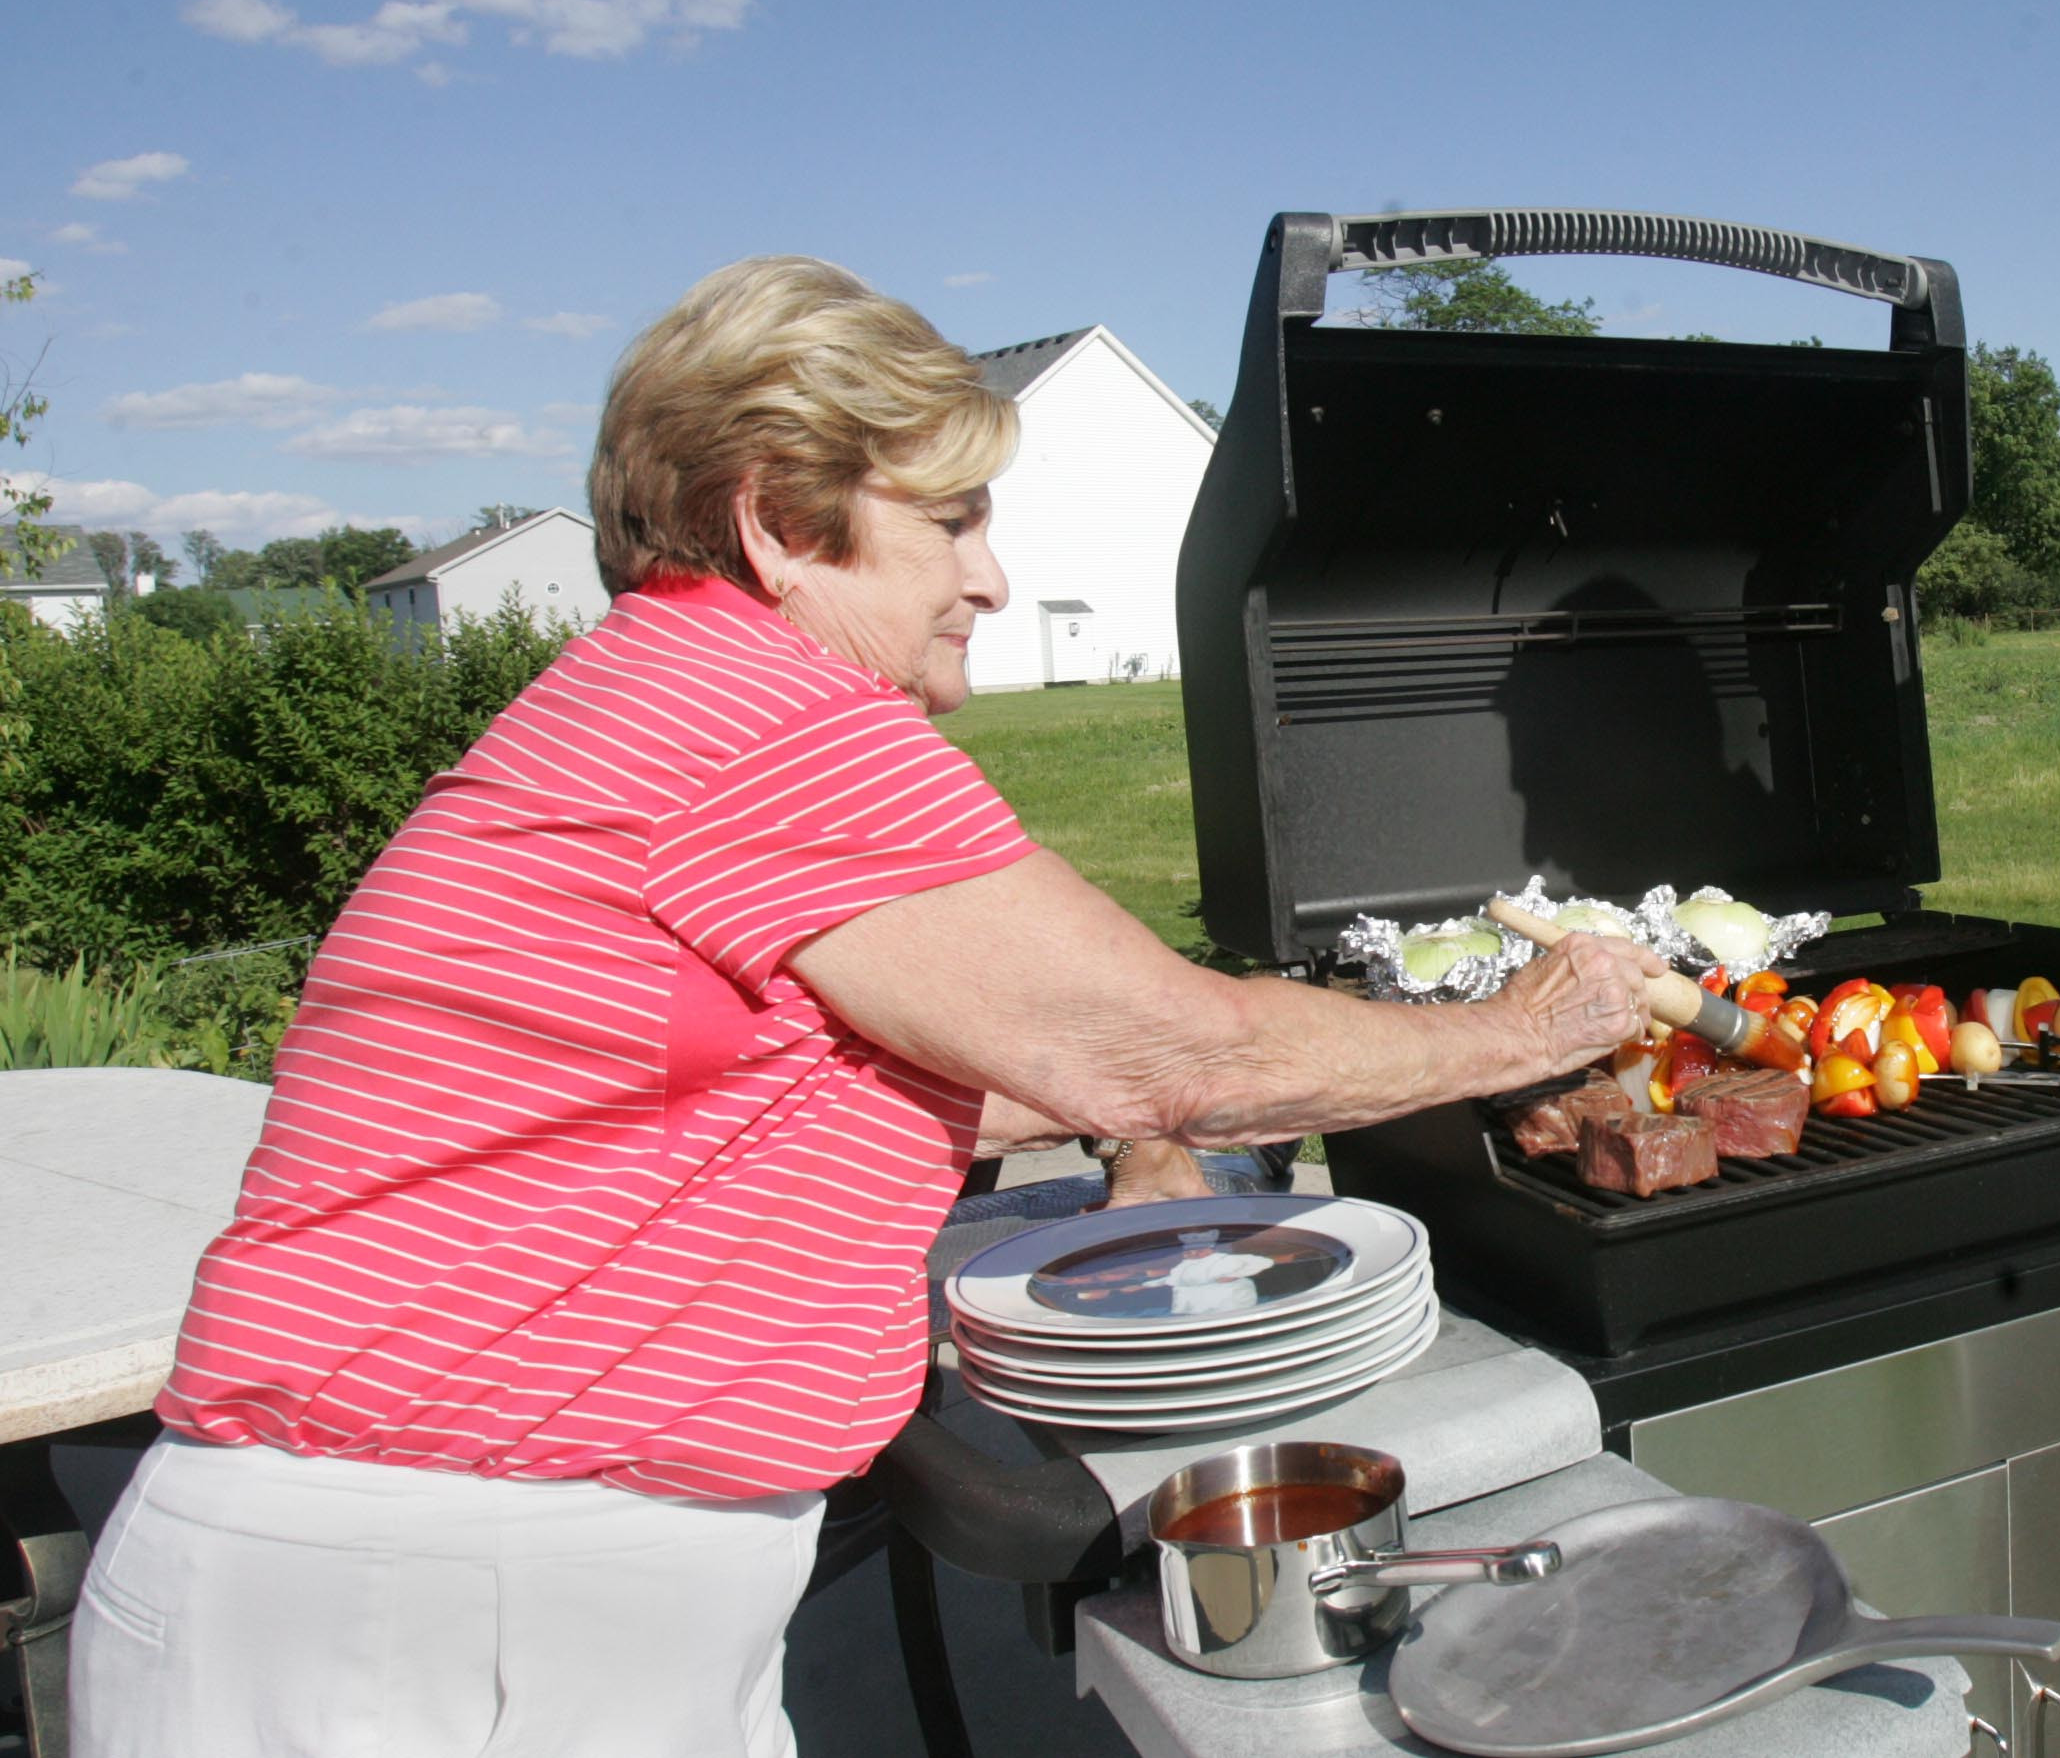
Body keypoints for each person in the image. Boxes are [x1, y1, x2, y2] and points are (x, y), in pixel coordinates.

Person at [75, 256, 1661, 1757]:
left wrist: (1172, 1087)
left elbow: (797, 1075)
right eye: (955, 518)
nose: (992, 574)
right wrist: (1527, 1033)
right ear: (778, 521)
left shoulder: (655, 693)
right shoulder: (761, 719)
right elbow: (1166, 1051)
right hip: (448, 1603)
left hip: (448, 1582)